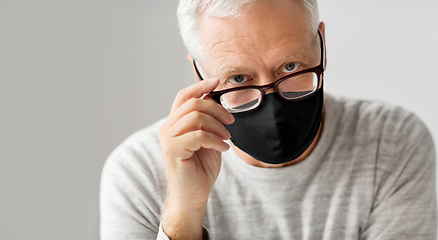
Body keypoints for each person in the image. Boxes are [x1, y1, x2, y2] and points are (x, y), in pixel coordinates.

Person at [100, 0, 437, 239]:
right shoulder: (139, 172)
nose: (273, 106)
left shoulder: (391, 144)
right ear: (198, 73)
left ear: (320, 45)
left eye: (290, 67)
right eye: (238, 79)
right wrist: (184, 211)